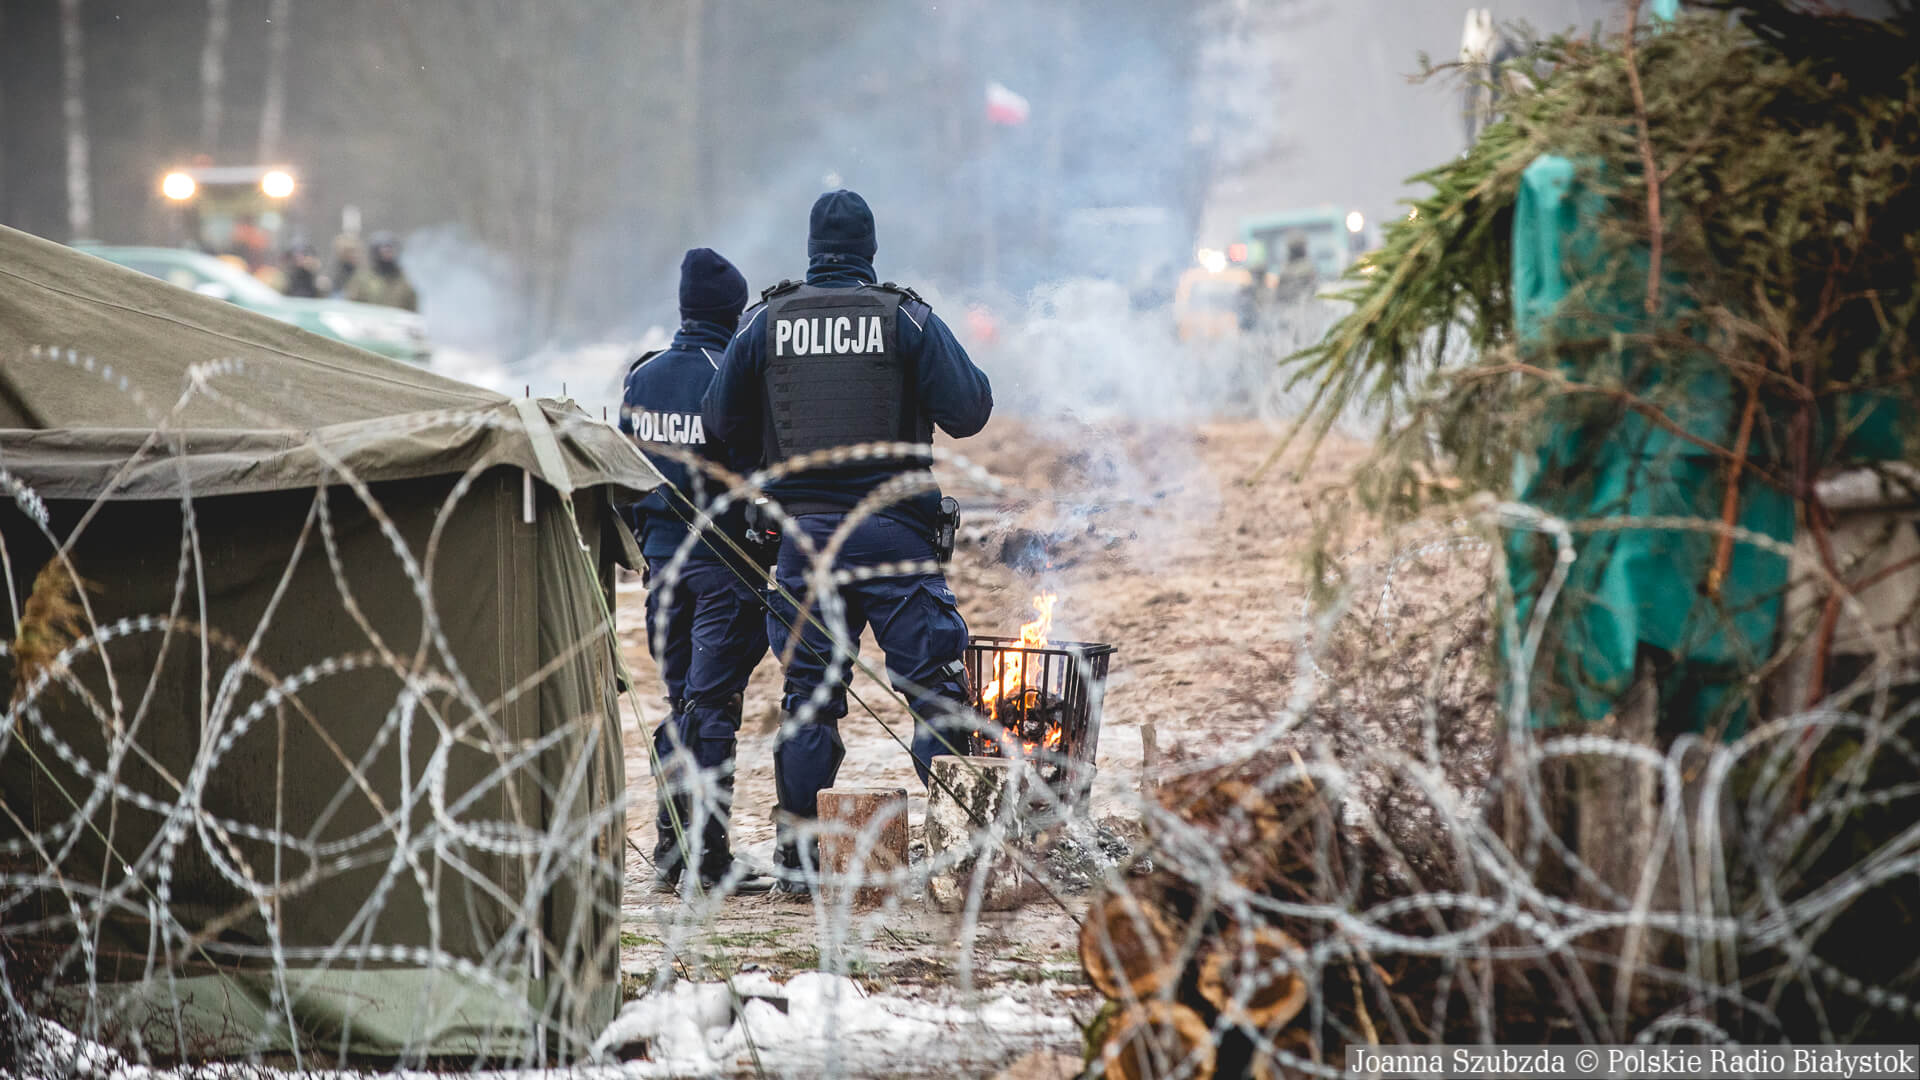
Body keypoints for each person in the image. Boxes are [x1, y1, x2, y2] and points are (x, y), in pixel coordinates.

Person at [702, 190, 994, 897]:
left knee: (809, 701)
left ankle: (800, 866)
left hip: (805, 542)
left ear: (812, 250)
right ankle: (960, 858)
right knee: (937, 695)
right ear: (868, 249)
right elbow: (972, 410)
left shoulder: (764, 323)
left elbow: (716, 421)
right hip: (895, 537)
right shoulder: (908, 320)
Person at [621, 248, 775, 898]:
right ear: (729, 310)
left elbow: (626, 470)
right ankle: (707, 861)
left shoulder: (643, 377)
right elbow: (755, 475)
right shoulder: (729, 373)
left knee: (682, 699)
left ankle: (669, 851)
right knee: (710, 709)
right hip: (721, 564)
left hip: (661, 565)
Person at [345, 231, 419, 311]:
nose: (387, 255)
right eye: (383, 251)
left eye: (389, 251)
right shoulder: (362, 279)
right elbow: (352, 306)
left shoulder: (405, 281)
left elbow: (412, 310)